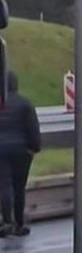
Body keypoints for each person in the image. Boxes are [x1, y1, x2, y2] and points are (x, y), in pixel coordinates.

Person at [0, 71, 41, 237]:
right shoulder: (25, 103)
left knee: (4, 186)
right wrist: (34, 148)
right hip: (21, 150)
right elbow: (32, 128)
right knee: (19, 187)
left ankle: (6, 222)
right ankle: (19, 223)